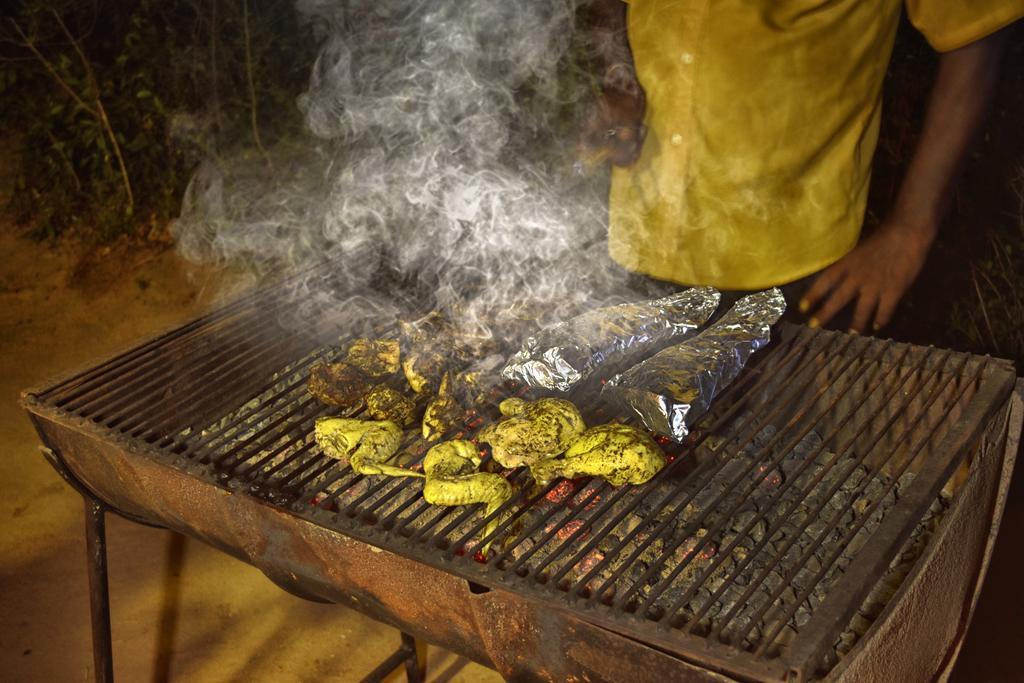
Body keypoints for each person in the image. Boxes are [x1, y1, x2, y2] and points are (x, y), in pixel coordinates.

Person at [581, 0, 1022, 332]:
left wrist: (910, 230)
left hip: (794, 263)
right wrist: (618, 79)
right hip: (639, 232)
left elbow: (975, 33)